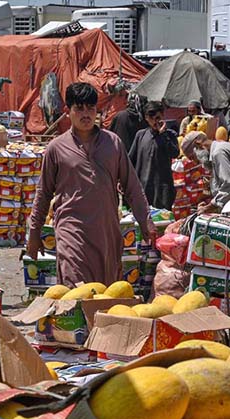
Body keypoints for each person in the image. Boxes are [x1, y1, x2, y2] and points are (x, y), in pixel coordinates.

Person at [27, 83, 155, 286]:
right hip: (72, 231)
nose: (86, 114)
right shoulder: (56, 148)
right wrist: (34, 234)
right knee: (75, 290)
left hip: (106, 231)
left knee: (106, 294)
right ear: (67, 111)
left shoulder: (113, 144)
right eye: (79, 108)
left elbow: (132, 186)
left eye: (91, 108)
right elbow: (43, 194)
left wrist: (145, 221)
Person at [129, 100, 180, 210]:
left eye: (157, 117)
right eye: (151, 118)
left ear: (162, 116)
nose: (155, 121)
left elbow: (175, 153)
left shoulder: (170, 135)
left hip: (162, 189)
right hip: (143, 186)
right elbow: (130, 159)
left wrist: (163, 134)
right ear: (146, 118)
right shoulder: (141, 135)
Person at [181, 130, 230, 213]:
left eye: (192, 157)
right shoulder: (217, 150)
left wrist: (209, 207)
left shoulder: (218, 153)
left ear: (198, 145)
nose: (195, 162)